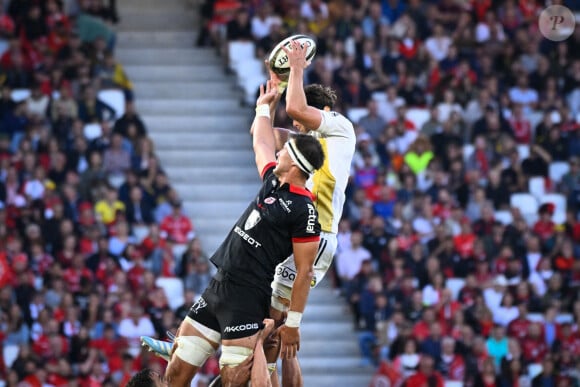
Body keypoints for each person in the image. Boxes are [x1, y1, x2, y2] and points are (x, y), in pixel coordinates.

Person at [140, 80, 325, 387]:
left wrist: (293, 323)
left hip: (247, 297)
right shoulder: (274, 183)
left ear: (295, 163)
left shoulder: (304, 211)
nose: (278, 153)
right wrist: (264, 107)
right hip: (219, 287)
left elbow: (305, 271)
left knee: (234, 383)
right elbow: (261, 145)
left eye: (285, 152)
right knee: (174, 377)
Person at [265, 39, 356, 385]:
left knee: (277, 323)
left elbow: (298, 110)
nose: (296, 129)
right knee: (272, 321)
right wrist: (269, 99)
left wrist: (297, 68)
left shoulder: (340, 127)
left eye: (302, 124)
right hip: (297, 232)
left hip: (316, 235)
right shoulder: (310, 143)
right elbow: (271, 134)